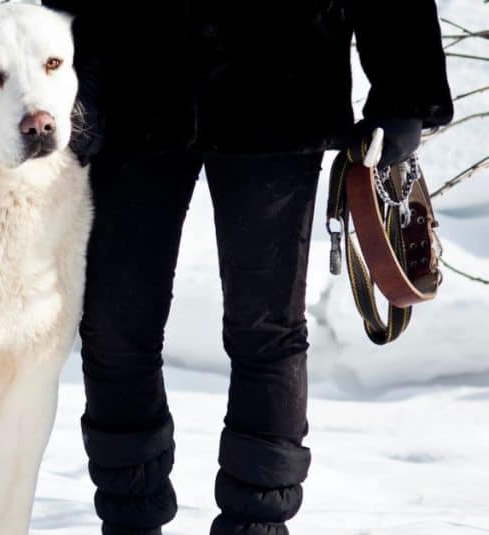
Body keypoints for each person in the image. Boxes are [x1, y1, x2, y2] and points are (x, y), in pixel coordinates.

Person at [39, 2, 453, 534]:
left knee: (267, 328)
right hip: (131, 84)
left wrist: (404, 92)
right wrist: (63, 73)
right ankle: (129, 519)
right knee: (115, 326)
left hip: (280, 83)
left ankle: (256, 524)